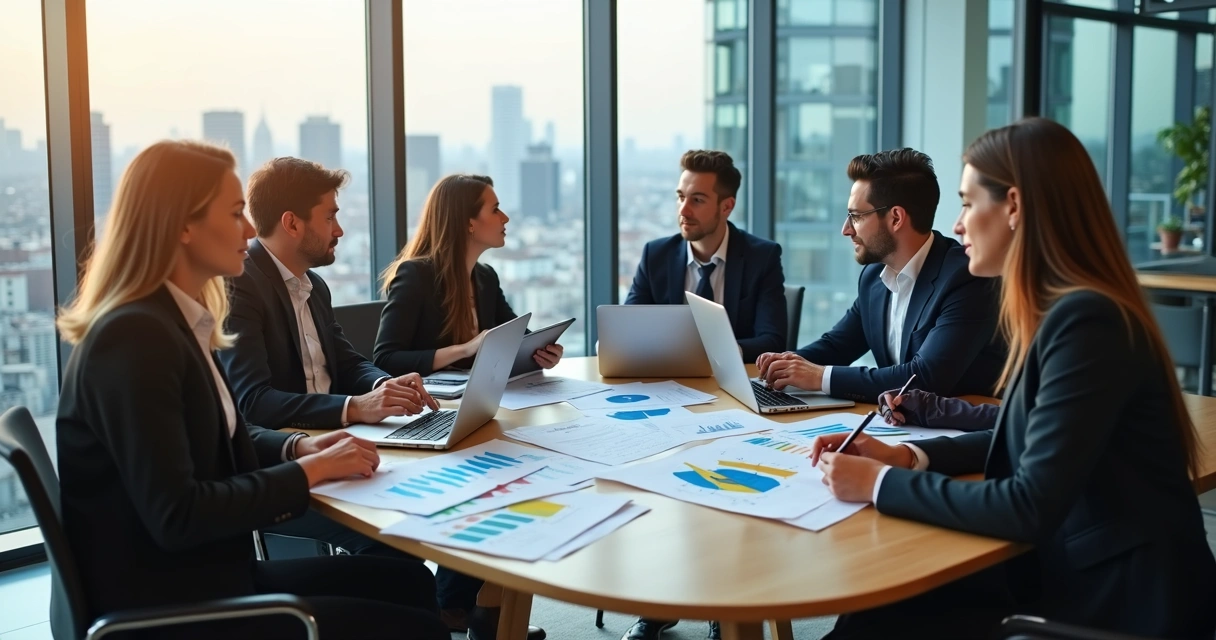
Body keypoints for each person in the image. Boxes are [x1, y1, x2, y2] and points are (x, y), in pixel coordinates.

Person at [811, 118, 1216, 639]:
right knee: (874, 614)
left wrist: (881, 483)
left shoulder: (1087, 322)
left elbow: (1028, 505)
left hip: (1114, 603)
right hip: (1076, 566)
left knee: (887, 612)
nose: (956, 226)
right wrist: (906, 456)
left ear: (1015, 207)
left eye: (966, 202)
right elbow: (1026, 438)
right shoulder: (1062, 310)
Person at [53, 140, 448, 639]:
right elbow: (179, 514)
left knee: (410, 581)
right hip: (172, 605)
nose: (248, 230)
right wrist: (308, 471)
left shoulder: (175, 322)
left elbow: (218, 441)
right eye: (236, 212)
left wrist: (299, 444)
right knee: (417, 627)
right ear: (183, 225)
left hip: (213, 577)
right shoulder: (134, 339)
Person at [218, 158, 541, 640]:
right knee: (398, 546)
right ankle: (435, 618)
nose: (340, 229)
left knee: (478, 483)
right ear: (292, 222)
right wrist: (354, 408)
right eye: (330, 216)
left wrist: (380, 386)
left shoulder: (312, 284)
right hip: (287, 462)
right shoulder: (241, 288)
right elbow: (254, 402)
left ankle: (468, 617)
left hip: (344, 440)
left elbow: (350, 361)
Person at [756, 148, 1005, 403]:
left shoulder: (966, 278)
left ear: (896, 218)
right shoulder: (873, 276)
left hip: (960, 432)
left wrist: (820, 377)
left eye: (856, 216)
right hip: (899, 423)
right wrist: (785, 362)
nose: (846, 230)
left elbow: (925, 377)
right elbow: (839, 345)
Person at [374, 174, 563, 377]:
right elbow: (386, 359)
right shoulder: (415, 276)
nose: (505, 218)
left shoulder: (486, 278)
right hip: (430, 402)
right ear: (468, 223)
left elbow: (516, 337)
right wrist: (466, 349)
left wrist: (542, 353)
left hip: (479, 395)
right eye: (495, 209)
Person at [624, 150, 786, 363]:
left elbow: (773, 341)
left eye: (697, 200)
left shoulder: (762, 257)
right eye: (681, 197)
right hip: (666, 383)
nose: (684, 210)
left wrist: (717, 353)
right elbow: (626, 332)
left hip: (733, 384)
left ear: (727, 206)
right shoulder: (655, 256)